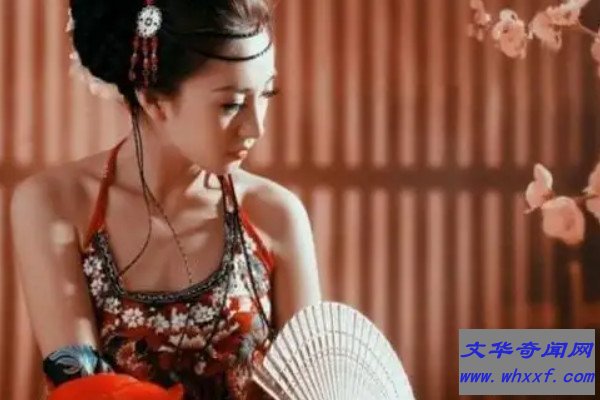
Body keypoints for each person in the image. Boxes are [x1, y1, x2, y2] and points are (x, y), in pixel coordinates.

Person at [10, 0, 322, 398]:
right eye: (231, 104)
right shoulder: (55, 205)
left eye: (267, 94)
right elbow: (83, 387)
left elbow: (312, 383)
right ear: (153, 99)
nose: (256, 127)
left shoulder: (275, 214)